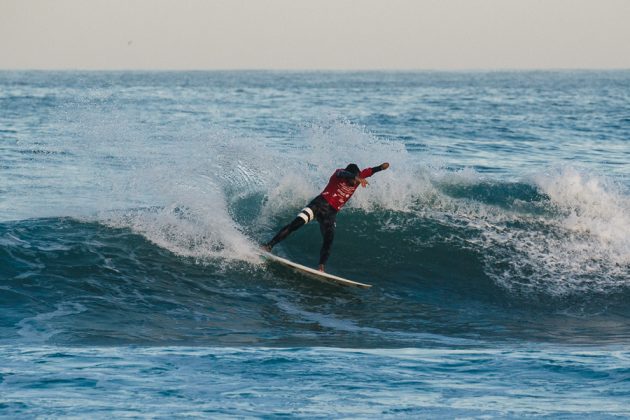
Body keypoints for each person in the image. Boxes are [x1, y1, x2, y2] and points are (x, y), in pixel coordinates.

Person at [262, 162, 390, 272]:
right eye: (353, 180)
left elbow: (371, 171)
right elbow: (343, 174)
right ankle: (268, 246)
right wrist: (354, 177)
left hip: (330, 214)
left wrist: (381, 167)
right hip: (318, 205)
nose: (354, 183)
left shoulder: (359, 176)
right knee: (295, 224)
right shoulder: (339, 174)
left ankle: (321, 267)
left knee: (329, 239)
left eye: (357, 178)